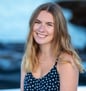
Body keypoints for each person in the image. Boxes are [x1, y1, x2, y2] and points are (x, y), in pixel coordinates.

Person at [21, 2, 84, 91]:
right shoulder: (28, 58)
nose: (41, 29)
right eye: (38, 22)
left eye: (49, 24)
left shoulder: (65, 62)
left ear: (59, 29)